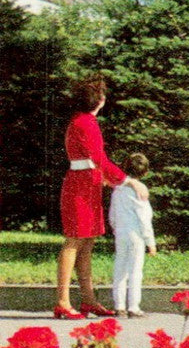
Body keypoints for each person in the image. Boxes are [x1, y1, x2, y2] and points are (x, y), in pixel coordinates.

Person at [54, 76, 148, 320]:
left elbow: (94, 161)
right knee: (74, 241)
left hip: (86, 184)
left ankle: (88, 300)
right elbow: (100, 160)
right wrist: (129, 180)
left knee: (86, 243)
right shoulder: (87, 123)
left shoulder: (80, 120)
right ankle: (63, 302)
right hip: (81, 187)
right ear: (101, 101)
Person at [109, 152, 156, 318]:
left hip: (121, 233)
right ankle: (133, 307)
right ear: (145, 172)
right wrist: (150, 242)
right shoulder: (140, 191)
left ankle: (119, 305)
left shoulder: (118, 190)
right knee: (135, 270)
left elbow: (112, 215)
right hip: (136, 235)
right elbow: (144, 218)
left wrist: (115, 229)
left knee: (120, 268)